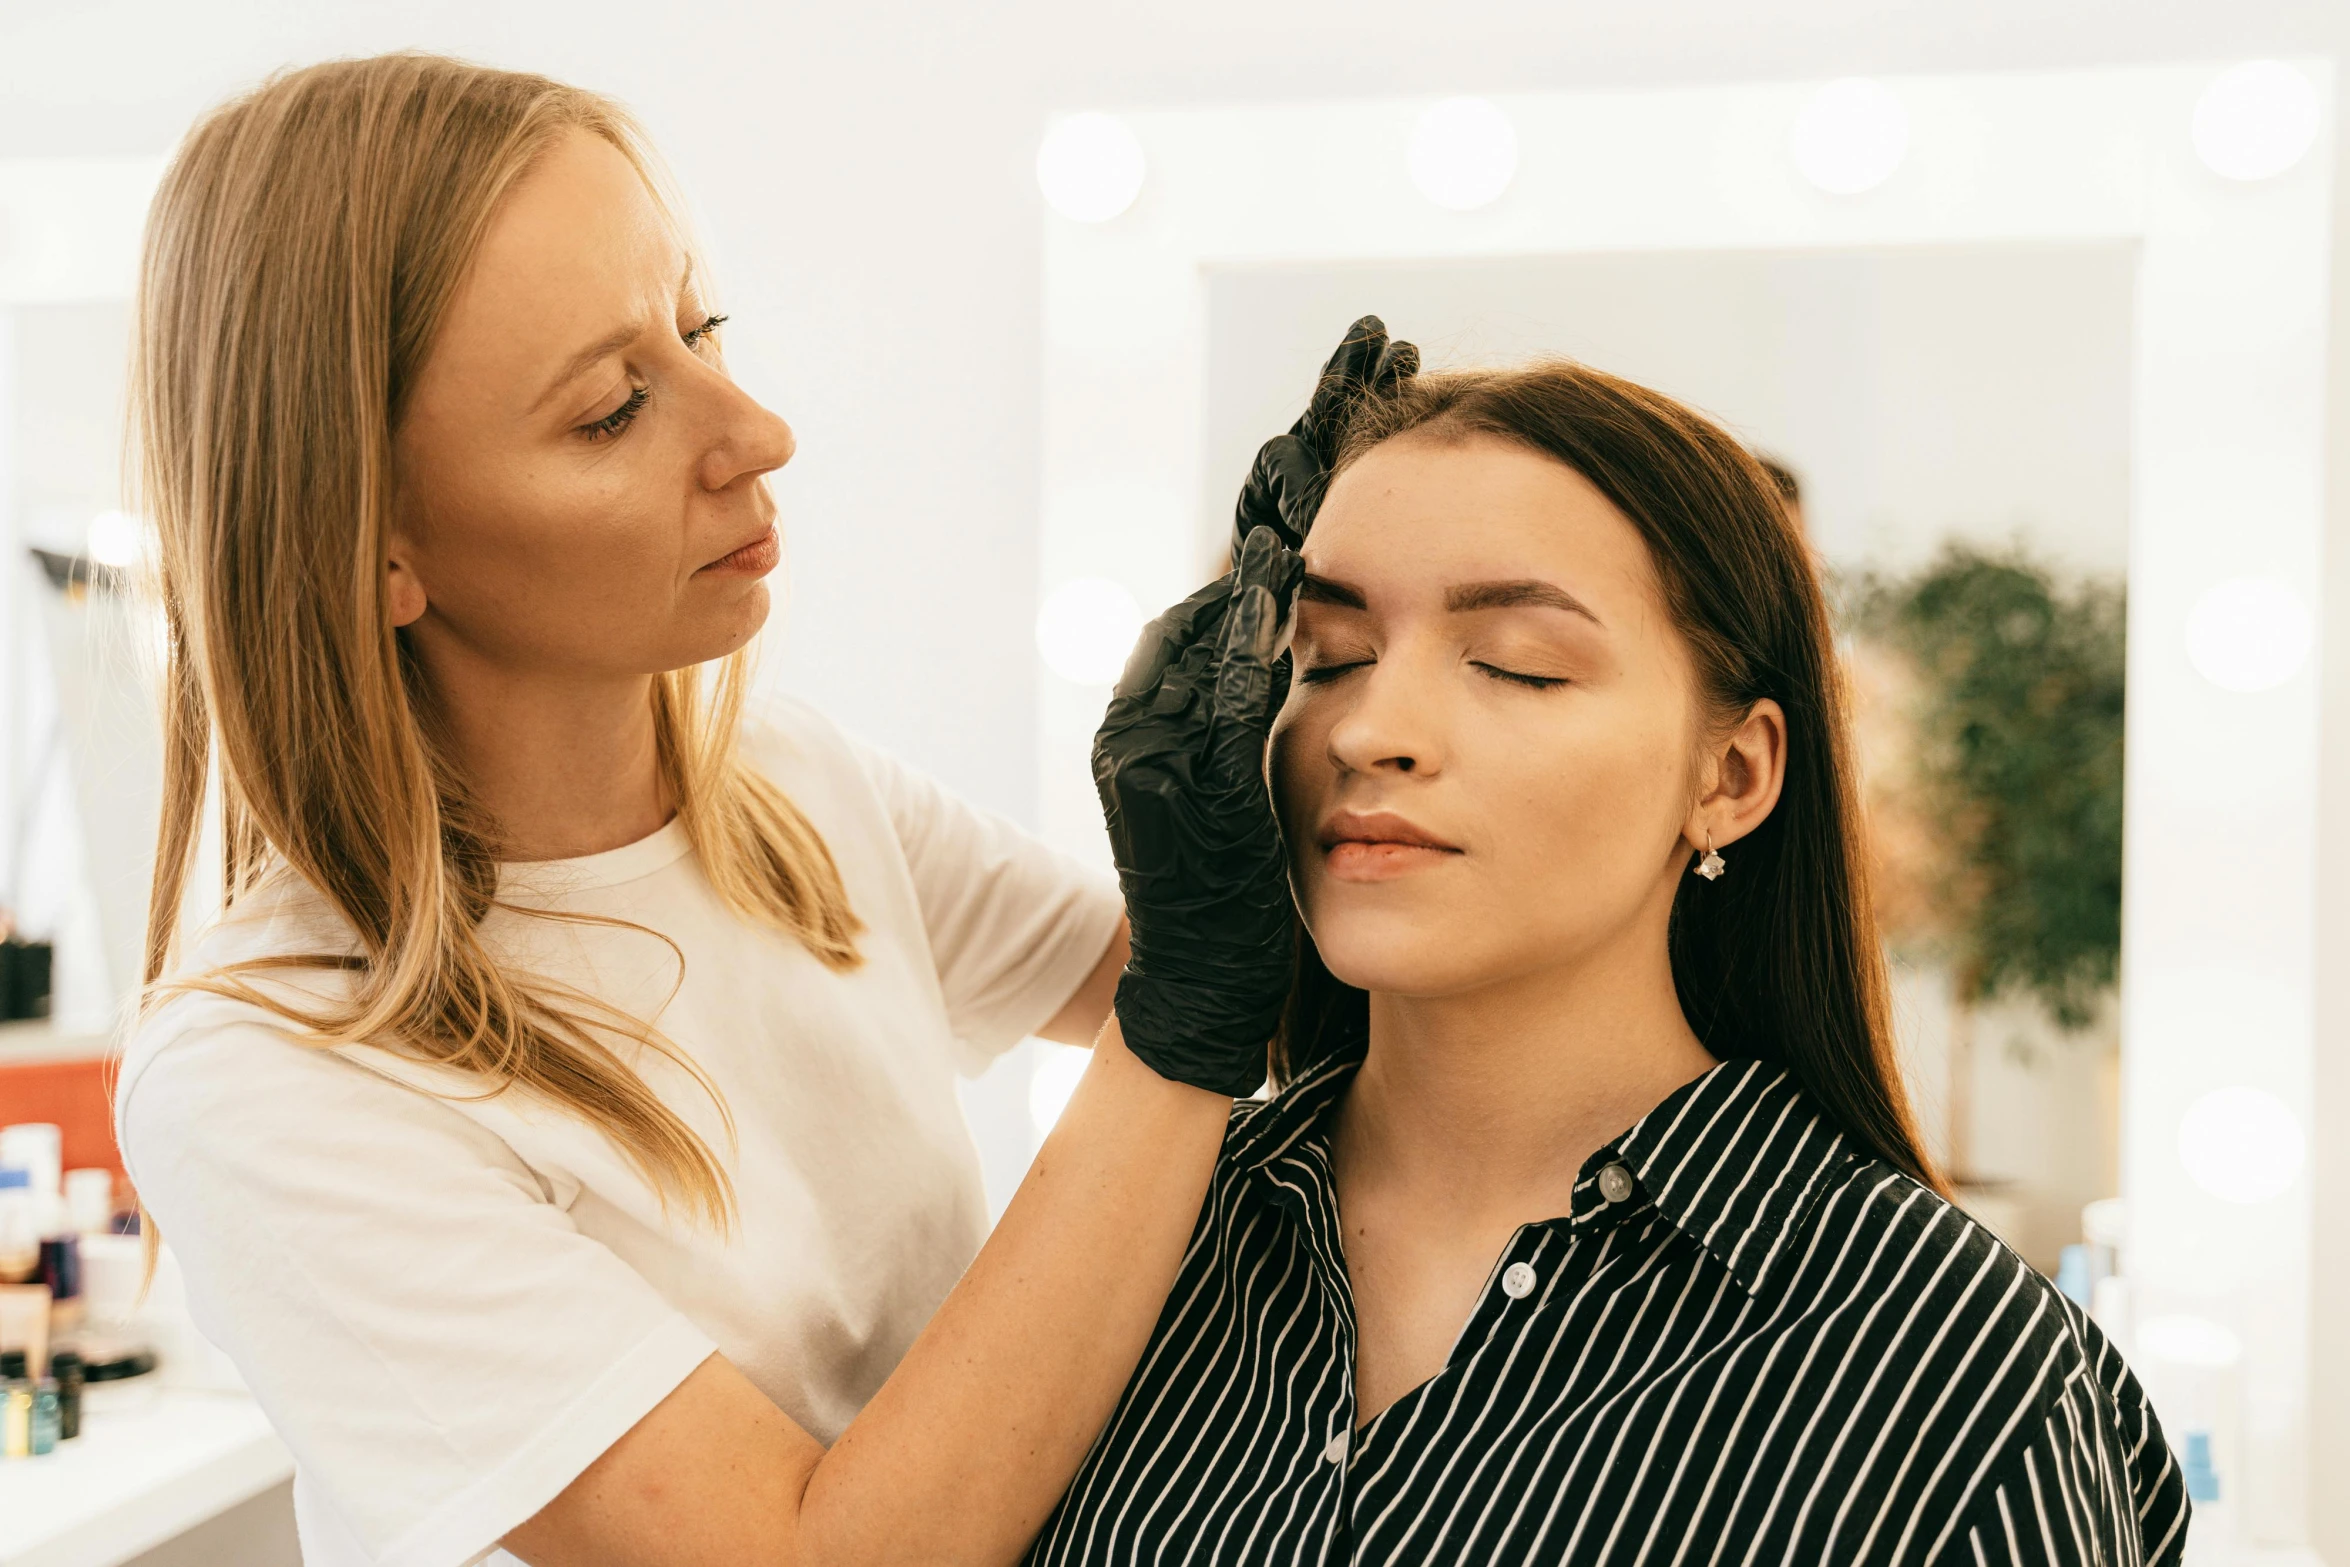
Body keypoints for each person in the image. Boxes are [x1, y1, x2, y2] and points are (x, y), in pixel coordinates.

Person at [114, 53, 1331, 1567]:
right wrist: (1188, 1007)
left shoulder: (790, 794)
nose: (755, 431)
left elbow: (1301, 1012)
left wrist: (1344, 706)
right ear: (377, 550)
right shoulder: (269, 1073)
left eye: (701, 328)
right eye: (615, 408)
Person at [1027, 362, 2188, 1565]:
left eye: (1519, 663)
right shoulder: (1126, 1260)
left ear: (1730, 776)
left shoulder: (1955, 1385)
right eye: (1324, 657)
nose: (1371, 730)